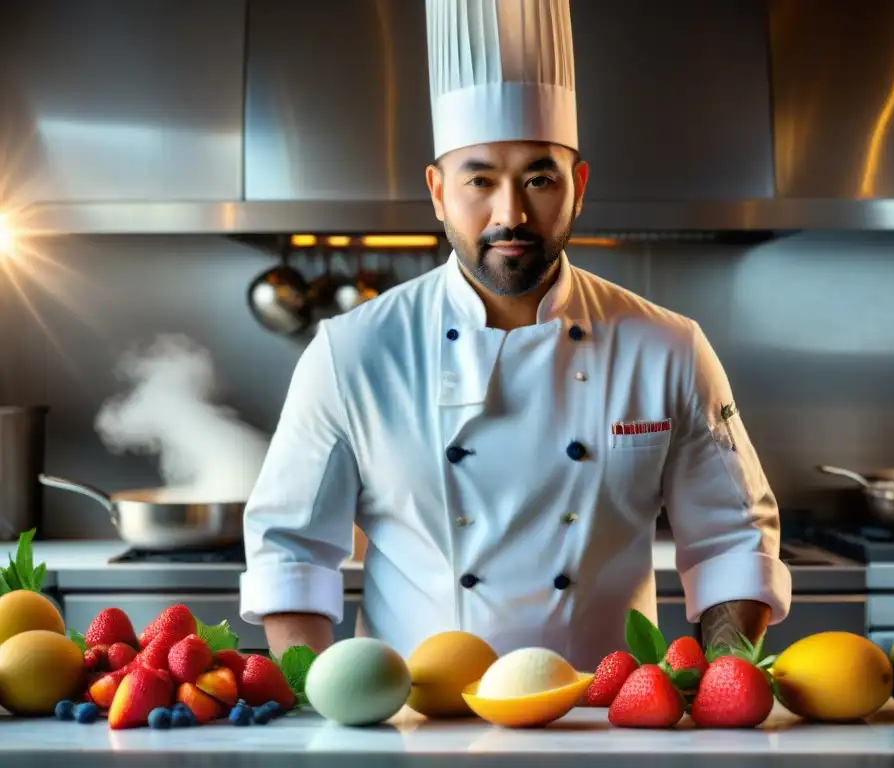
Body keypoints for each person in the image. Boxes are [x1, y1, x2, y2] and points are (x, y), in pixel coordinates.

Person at [239, 0, 792, 667]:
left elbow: (734, 540)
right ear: (439, 191)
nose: (512, 212)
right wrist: (329, 706)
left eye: (540, 177)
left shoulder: (668, 348)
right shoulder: (352, 352)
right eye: (480, 179)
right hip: (412, 729)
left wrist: (722, 683)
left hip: (609, 724)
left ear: (578, 186)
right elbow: (291, 550)